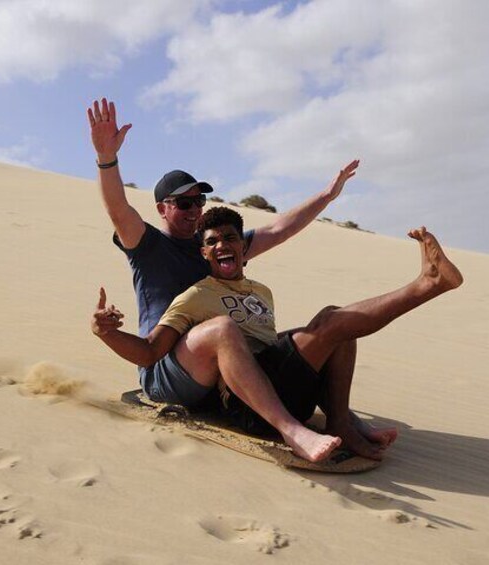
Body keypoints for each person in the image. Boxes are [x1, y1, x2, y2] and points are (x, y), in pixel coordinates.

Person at [88, 97, 361, 462]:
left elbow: (281, 228)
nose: (194, 210)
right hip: (165, 369)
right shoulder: (147, 244)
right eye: (183, 204)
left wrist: (326, 196)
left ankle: (343, 420)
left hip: (216, 368)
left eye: (199, 201)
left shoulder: (215, 247)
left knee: (302, 337)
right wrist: (107, 158)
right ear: (162, 209)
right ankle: (291, 430)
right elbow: (118, 208)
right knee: (223, 329)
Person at [93, 207, 463, 462]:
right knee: (330, 324)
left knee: (337, 322)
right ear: (204, 253)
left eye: (230, 237)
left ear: (243, 247)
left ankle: (340, 421)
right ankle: (426, 285)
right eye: (213, 241)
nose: (223, 244)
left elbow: (275, 349)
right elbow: (150, 352)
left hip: (279, 385)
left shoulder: (260, 291)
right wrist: (106, 333)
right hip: (247, 407)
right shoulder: (195, 295)